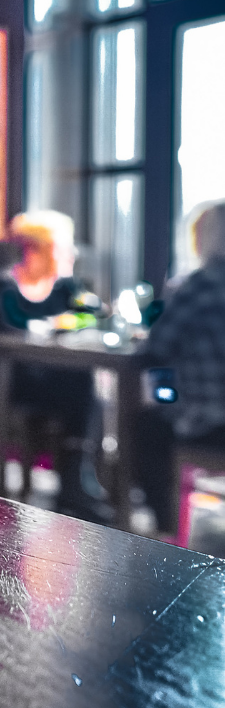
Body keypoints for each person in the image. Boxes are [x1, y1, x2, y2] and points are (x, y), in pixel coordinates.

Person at [0, 211, 113, 523]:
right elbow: (8, 328)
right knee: (82, 386)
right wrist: (56, 324)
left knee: (86, 382)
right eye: (61, 247)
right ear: (34, 249)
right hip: (12, 381)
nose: (71, 254)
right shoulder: (4, 285)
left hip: (56, 377)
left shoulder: (65, 286)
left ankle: (77, 477)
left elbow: (93, 314)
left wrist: (88, 312)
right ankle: (75, 480)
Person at [137, 200, 225, 530]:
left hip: (212, 421)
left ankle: (167, 529)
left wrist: (164, 396)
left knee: (146, 423)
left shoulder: (203, 283)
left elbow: (155, 349)